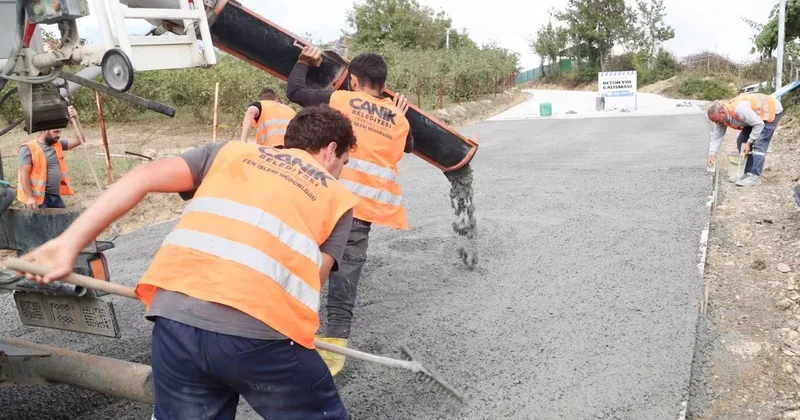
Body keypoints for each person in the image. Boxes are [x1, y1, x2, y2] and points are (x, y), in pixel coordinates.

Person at [18, 104, 359, 420]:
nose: (341, 171)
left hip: (175, 321)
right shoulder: (337, 196)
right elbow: (313, 279)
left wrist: (67, 243)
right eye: (344, 162)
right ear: (331, 150)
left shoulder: (228, 152)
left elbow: (143, 176)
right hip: (261, 334)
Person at [286, 45, 413, 376]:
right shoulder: (399, 119)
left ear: (353, 81)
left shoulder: (341, 100)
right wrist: (399, 111)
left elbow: (296, 91)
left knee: (296, 259)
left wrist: (303, 62)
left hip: (323, 199)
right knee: (344, 278)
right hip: (360, 211)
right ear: (382, 84)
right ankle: (335, 352)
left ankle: (280, 329)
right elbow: (408, 145)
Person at [707, 92, 783, 187]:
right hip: (755, 117)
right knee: (741, 141)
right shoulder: (722, 118)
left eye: (717, 120)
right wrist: (712, 154)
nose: (717, 123)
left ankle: (755, 176)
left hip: (771, 111)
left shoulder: (740, 109)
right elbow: (716, 137)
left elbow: (759, 124)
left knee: (759, 144)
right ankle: (748, 173)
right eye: (714, 122)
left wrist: (749, 142)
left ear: (722, 112)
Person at [16, 105, 81, 209]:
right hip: (39, 200)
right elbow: (24, 175)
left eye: (60, 131)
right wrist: (29, 198)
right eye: (56, 131)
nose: (59, 135)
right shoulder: (28, 148)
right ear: (44, 130)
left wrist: (75, 119)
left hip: (55, 197)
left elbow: (79, 139)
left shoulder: (57, 144)